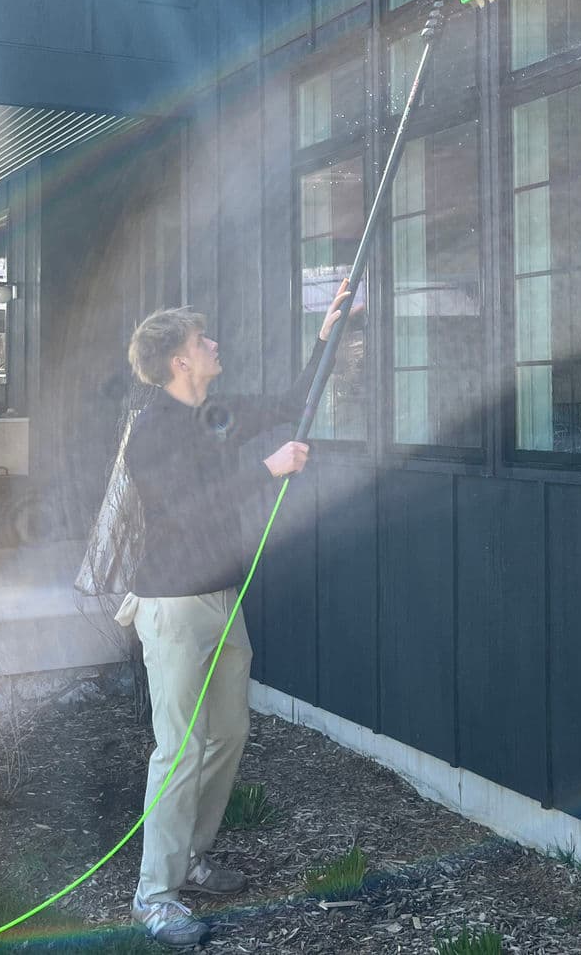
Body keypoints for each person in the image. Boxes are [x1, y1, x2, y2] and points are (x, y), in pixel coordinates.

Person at [115, 280, 350, 948]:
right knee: (180, 747)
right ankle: (153, 894)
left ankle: (190, 855)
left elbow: (287, 403)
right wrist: (266, 467)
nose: (214, 344)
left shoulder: (214, 410)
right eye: (201, 340)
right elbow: (192, 505)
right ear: (177, 362)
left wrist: (327, 334)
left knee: (227, 735)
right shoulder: (150, 433)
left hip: (223, 597)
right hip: (173, 605)